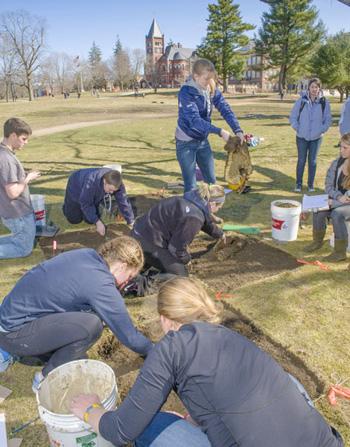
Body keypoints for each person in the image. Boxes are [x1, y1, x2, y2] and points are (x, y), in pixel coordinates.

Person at [70, 277, 344, 447]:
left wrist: (90, 410)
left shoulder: (171, 347)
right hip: (323, 442)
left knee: (150, 425)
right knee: (290, 380)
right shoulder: (228, 336)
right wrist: (198, 419)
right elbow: (232, 397)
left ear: (165, 318)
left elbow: (120, 431)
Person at [0, 236, 153, 390]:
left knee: (85, 331)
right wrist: (155, 351)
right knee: (91, 326)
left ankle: (39, 353)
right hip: (14, 334)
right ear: (122, 266)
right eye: (130, 276)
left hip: (11, 318)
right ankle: (44, 379)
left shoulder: (87, 255)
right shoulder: (101, 283)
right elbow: (129, 336)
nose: (127, 283)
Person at [176, 58, 244, 192]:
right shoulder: (186, 92)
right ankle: (193, 212)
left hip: (202, 141)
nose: (209, 83)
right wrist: (219, 131)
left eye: (211, 79)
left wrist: (237, 129)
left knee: (211, 182)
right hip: (185, 143)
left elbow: (225, 108)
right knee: (191, 186)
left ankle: (209, 211)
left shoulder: (210, 87)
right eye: (206, 79)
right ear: (196, 76)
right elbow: (194, 121)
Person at [131, 184, 225, 276]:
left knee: (161, 262)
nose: (217, 211)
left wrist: (220, 234)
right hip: (149, 244)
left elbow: (204, 222)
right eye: (219, 208)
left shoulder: (187, 201)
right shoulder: (194, 217)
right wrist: (186, 260)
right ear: (212, 204)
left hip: (137, 234)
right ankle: (146, 284)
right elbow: (176, 249)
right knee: (180, 277)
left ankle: (142, 270)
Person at [305, 132, 350, 261]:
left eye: (345, 148)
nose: (341, 150)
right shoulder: (336, 163)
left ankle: (340, 252)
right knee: (318, 209)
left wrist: (334, 203)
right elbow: (328, 186)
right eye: (340, 147)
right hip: (338, 200)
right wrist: (336, 197)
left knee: (337, 214)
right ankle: (317, 241)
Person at [0, 117, 40, 259]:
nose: (26, 142)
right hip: (18, 212)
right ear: (13, 136)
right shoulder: (6, 158)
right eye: (23, 139)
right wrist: (27, 179)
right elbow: (12, 192)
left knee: (18, 239)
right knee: (24, 249)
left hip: (11, 210)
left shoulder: (3, 153)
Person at [63, 167, 135, 236]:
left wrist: (130, 221)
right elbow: (86, 203)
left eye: (114, 190)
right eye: (110, 189)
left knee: (90, 220)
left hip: (94, 191)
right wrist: (98, 222)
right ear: (105, 181)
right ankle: (66, 208)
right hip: (76, 185)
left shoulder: (118, 184)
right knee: (74, 220)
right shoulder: (91, 182)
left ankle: (89, 211)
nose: (111, 192)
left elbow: (124, 201)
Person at [289, 77, 332, 193]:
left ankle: (310, 185)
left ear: (319, 88)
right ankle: (298, 184)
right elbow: (293, 116)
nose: (314, 89)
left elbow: (328, 119)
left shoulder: (324, 102)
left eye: (316, 87)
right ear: (309, 87)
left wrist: (321, 130)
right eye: (312, 86)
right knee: (301, 160)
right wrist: (298, 128)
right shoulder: (301, 101)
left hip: (316, 138)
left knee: (312, 161)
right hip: (301, 137)